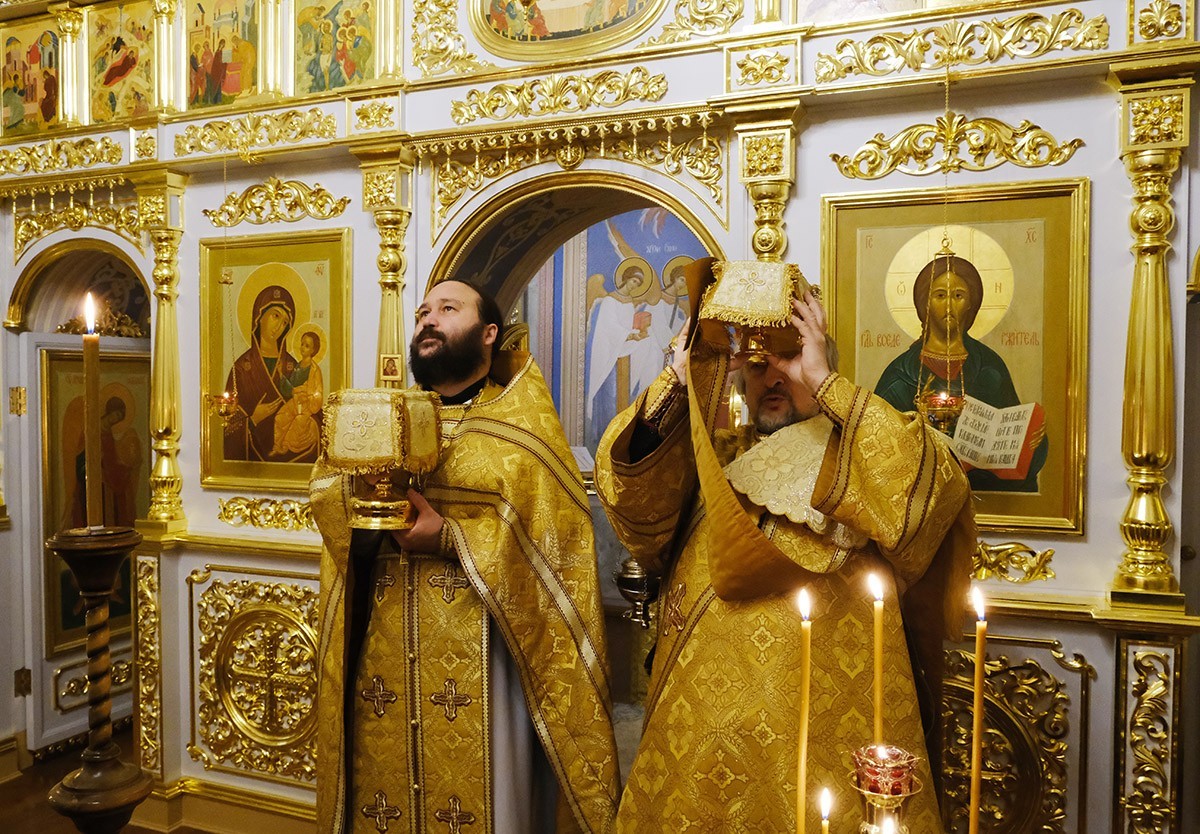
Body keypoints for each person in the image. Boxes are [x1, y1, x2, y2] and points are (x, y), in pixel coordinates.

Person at [595, 260, 975, 832]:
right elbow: (635, 507)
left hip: (823, 736)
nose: (771, 376)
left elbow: (935, 490)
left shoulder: (859, 450)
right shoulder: (714, 459)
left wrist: (824, 384)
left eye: (789, 357)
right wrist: (679, 380)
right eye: (755, 364)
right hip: (695, 741)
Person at [311, 280, 619, 834]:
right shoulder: (383, 421)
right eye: (423, 313)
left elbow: (553, 551)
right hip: (383, 650)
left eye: (448, 309)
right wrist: (352, 487)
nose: (429, 320)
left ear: (489, 332)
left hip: (490, 657)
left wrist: (451, 536)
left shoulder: (521, 428)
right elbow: (331, 506)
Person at [873, 252, 1046, 491]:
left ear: (971, 303)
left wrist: (1033, 441)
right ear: (924, 303)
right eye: (940, 295)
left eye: (958, 296)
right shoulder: (900, 375)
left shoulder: (989, 368)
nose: (949, 305)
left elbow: (1011, 436)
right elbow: (878, 446)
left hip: (985, 494)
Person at [223, 285, 318, 463]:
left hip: (291, 456)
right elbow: (226, 426)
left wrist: (312, 427)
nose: (279, 327)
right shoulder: (241, 369)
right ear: (259, 316)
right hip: (251, 467)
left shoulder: (294, 366)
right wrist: (253, 419)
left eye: (285, 322)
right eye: (275, 316)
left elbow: (311, 407)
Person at [272, 330, 323, 457]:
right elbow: (291, 387)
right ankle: (277, 446)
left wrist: (306, 394)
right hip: (295, 401)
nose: (303, 347)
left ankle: (286, 448)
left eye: (307, 346)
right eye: (302, 344)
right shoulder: (298, 366)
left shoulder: (315, 370)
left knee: (297, 423)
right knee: (280, 417)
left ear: (313, 350)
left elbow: (318, 392)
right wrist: (280, 373)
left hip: (306, 405)